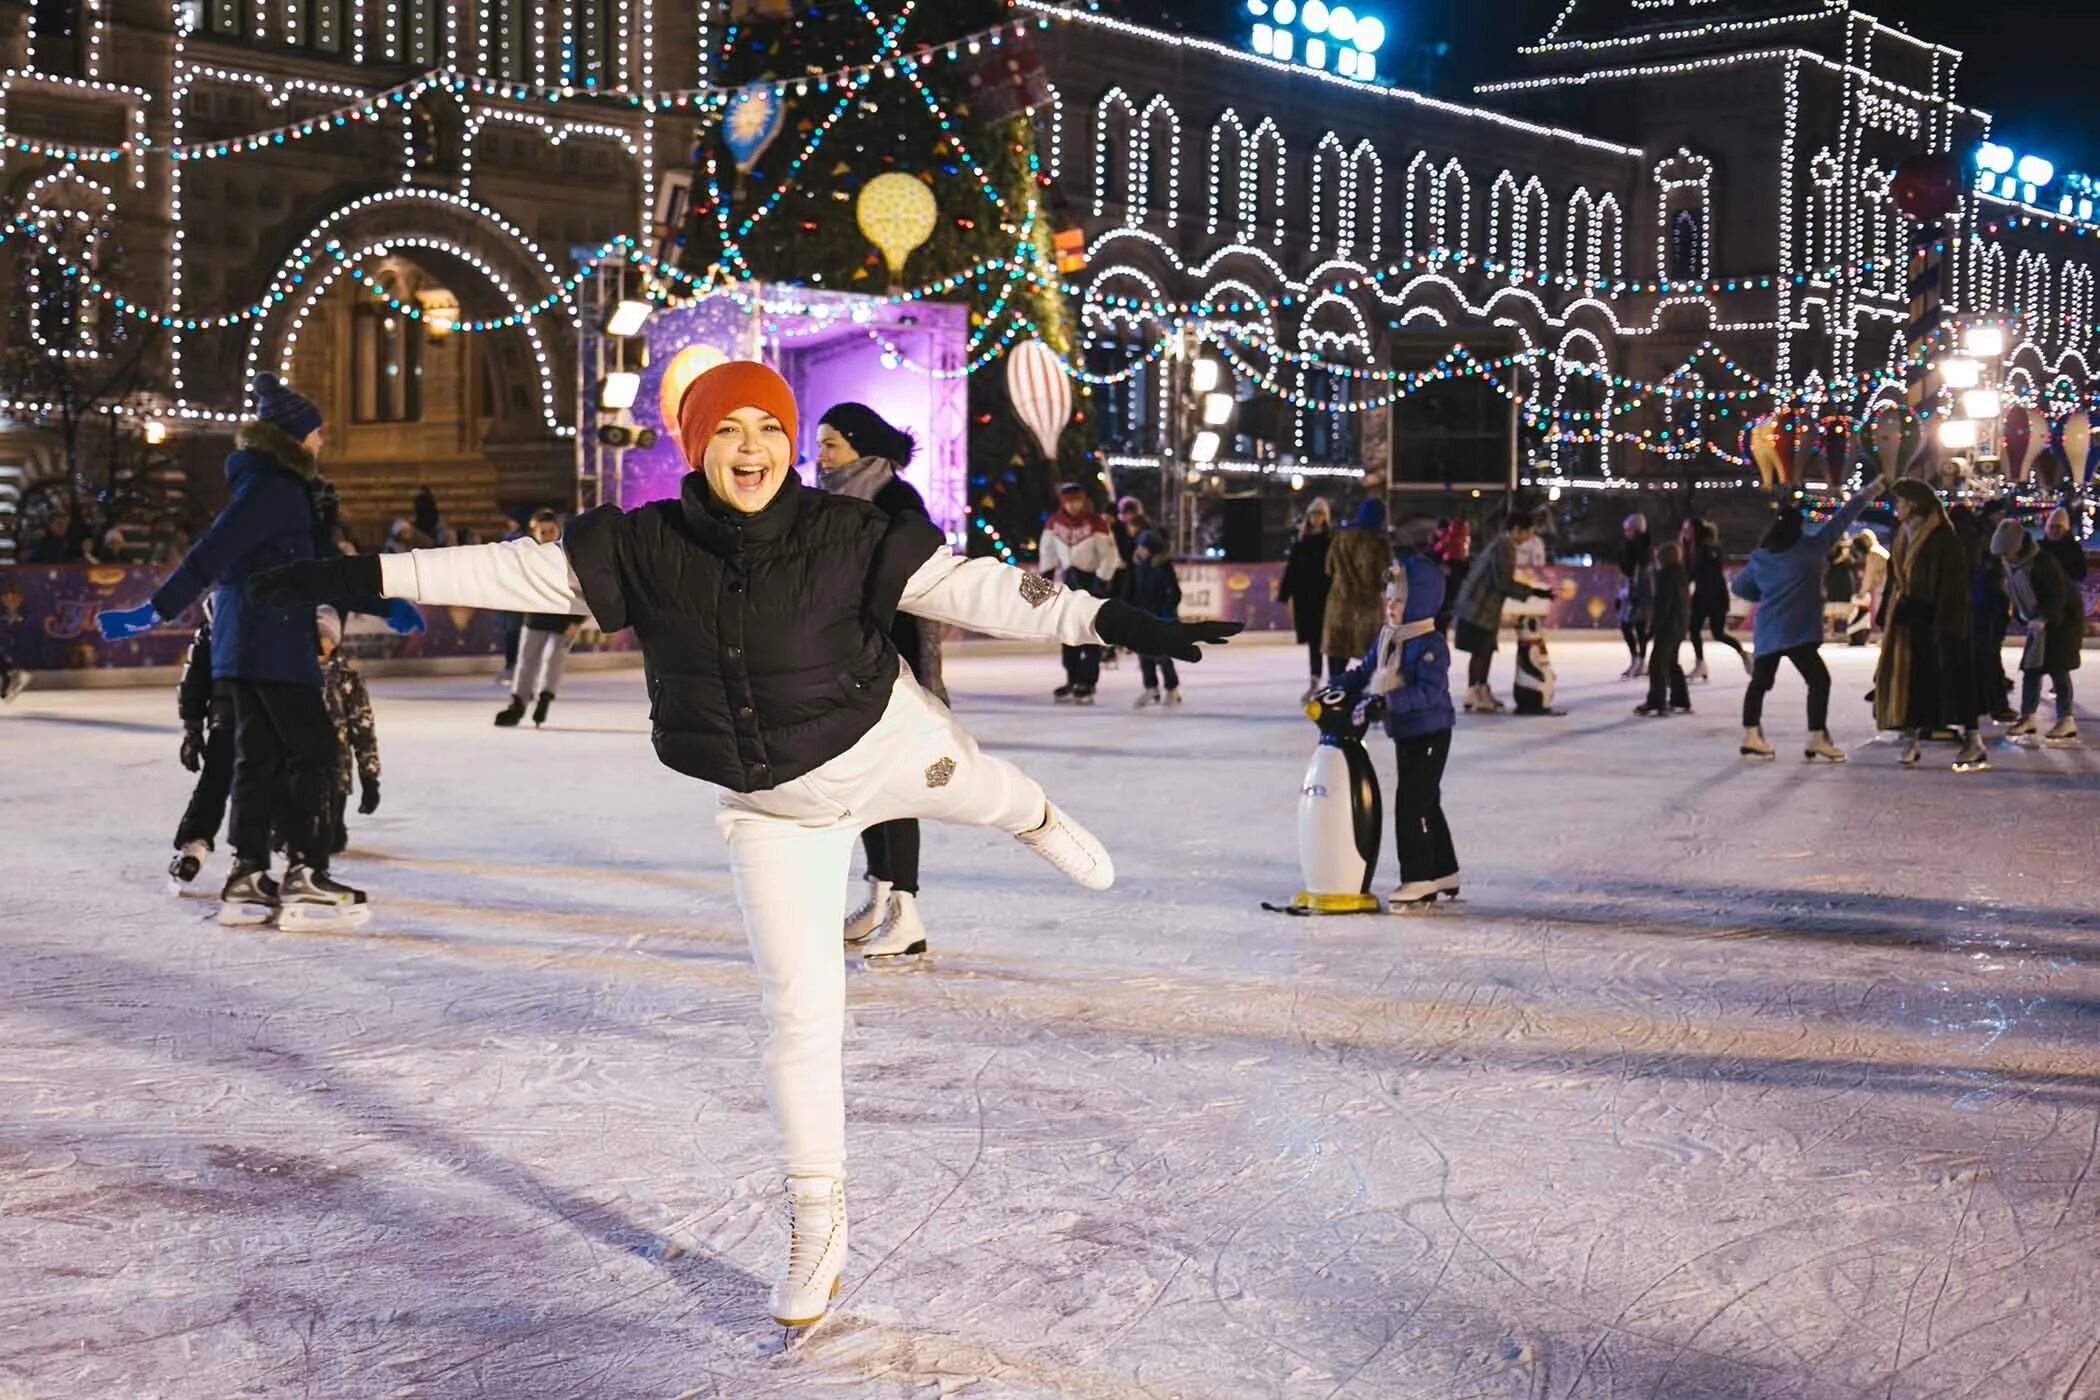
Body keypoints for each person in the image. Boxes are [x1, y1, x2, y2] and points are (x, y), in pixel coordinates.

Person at [247, 360, 1241, 1329]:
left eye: (769, 426)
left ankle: (1040, 818)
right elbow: (510, 566)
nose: (751, 445)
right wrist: (361, 571)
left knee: (988, 791)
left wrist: (1106, 615)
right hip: (774, 811)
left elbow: (978, 588)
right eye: (728, 429)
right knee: (800, 1017)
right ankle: (819, 1219)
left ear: (791, 445)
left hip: (885, 742)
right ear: (698, 447)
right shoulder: (644, 544)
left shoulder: (849, 530)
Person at [96, 372, 423, 927]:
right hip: (271, 641)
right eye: (316, 434)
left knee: (258, 759)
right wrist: (155, 610)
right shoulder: (274, 489)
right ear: (292, 438)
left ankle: (248, 878)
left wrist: (379, 601)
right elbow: (212, 552)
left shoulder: (269, 487)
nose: (321, 443)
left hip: (242, 646)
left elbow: (313, 571)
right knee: (317, 753)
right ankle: (306, 874)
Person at [814, 401, 944, 966]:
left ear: (861, 447)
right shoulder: (823, 503)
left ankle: (907, 913)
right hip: (841, 659)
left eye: (831, 445)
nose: (820, 456)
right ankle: (880, 896)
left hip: (894, 660)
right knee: (862, 789)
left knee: (895, 788)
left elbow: (912, 575)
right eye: (819, 444)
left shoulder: (896, 499)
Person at [1336, 555, 1458, 910]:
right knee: (1426, 802)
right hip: (1407, 732)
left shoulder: (1429, 643)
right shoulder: (1389, 637)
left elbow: (1429, 693)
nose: (1391, 606)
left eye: (1400, 600)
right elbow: (1365, 671)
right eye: (1388, 598)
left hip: (1431, 733)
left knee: (1412, 803)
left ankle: (1419, 877)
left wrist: (1386, 702)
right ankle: (1444, 869)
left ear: (1418, 603)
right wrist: (1338, 687)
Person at [1731, 476, 1881, 762]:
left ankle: (1751, 735)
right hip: (1798, 631)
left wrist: (1766, 590)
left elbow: (1740, 588)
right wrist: (1868, 492)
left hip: (1769, 631)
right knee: (1819, 681)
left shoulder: (1762, 557)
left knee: (1760, 683)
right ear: (1798, 527)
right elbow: (1842, 519)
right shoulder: (1810, 549)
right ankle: (1816, 737)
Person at [1874, 480, 1989, 772]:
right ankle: (1911, 741)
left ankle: (1973, 740)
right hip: (1909, 618)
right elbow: (1895, 577)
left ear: (1913, 505)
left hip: (1942, 621)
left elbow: (1953, 585)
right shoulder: (1901, 534)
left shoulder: (1943, 537)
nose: (1896, 507)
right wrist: (1889, 610)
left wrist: (1939, 620)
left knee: (1954, 681)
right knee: (1912, 682)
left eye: (1900, 502)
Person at [1452, 508, 1553, 713]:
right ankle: (1474, 693)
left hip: (1480, 606)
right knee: (1481, 650)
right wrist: (1533, 592)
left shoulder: (1501, 543)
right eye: (1527, 532)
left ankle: (1480, 690)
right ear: (1516, 529)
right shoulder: (1505, 546)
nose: (1529, 537)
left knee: (1485, 650)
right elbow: (1503, 583)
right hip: (1479, 607)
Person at [1992, 518, 2082, 746]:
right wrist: (2026, 618)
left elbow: (2057, 596)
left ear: (2018, 547)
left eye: (2008, 552)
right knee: (2032, 668)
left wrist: (2043, 618)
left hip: (2061, 622)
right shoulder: (2012, 564)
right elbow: (2016, 593)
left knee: (2058, 669)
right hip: (2037, 621)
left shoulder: (2043, 564)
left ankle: (2066, 719)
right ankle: (2028, 716)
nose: (2005, 558)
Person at [169, 603, 236, 887]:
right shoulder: (216, 629)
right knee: (253, 788)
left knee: (215, 785)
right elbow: (194, 682)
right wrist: (193, 731)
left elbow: (192, 684)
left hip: (229, 721)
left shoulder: (213, 628)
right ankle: (249, 858)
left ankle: (195, 846)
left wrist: (193, 730)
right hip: (253, 719)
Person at [496, 509, 582, 729]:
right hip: (535, 617)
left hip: (564, 618)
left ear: (558, 530)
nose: (547, 535)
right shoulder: (529, 556)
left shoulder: (569, 554)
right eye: (542, 532)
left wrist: (577, 621)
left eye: (551, 531)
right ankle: (518, 703)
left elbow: (583, 588)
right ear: (535, 533)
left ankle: (544, 699)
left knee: (554, 659)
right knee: (525, 661)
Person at [1040, 482, 1122, 704]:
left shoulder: (1097, 524)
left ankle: (1088, 682)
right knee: (1068, 635)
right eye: (1069, 502)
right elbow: (1047, 550)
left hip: (1091, 582)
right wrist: (1046, 577)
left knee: (1088, 636)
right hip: (1069, 582)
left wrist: (1102, 580)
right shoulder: (1055, 523)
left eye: (1077, 501)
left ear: (1083, 500)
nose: (1073, 506)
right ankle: (1073, 679)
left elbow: (1109, 555)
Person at [316, 606, 381, 855]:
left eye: (326, 636)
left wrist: (370, 779)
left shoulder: (347, 678)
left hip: (335, 769)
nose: (321, 643)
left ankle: (334, 825)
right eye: (317, 636)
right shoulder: (295, 672)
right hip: (299, 767)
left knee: (331, 841)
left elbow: (363, 731)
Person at [1322, 497, 1390, 682]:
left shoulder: (1341, 537)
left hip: (1340, 605)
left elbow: (1328, 567)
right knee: (1369, 659)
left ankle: (1333, 690)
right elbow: (1384, 576)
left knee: (1337, 653)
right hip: (1366, 608)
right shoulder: (1379, 542)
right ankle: (1364, 697)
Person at [1276, 497, 1336, 701]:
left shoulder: (1332, 542)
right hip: (1306, 599)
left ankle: (1334, 681)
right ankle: (1314, 679)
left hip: (1327, 598)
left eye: (1320, 514)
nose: (1317, 518)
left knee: (1330, 641)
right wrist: (1285, 595)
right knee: (1314, 641)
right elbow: (1291, 571)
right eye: (1314, 514)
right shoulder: (1301, 543)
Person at [1968, 500, 2017, 724]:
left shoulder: (1984, 533)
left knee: (1986, 653)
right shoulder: (1983, 536)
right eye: (1999, 513)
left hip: (1986, 603)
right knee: (1988, 654)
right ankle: (1992, 702)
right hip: (1986, 603)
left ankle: (1984, 700)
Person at [1684, 517, 1749, 680]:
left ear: (1695, 530)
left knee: (1717, 633)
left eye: (1688, 529)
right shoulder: (1694, 549)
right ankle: (1700, 664)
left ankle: (1744, 654)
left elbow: (1709, 574)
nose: (1685, 532)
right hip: (1702, 595)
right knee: (1693, 629)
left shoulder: (1708, 548)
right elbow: (1690, 573)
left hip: (1714, 597)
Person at [1127, 528, 1184, 708]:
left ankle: (1172, 688)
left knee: (1162, 655)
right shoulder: (1138, 566)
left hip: (1161, 618)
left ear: (1152, 550)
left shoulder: (1163, 567)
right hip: (1142, 617)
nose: (1140, 551)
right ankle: (1151, 687)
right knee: (1144, 655)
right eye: (1139, 547)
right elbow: (1133, 591)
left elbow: (1174, 592)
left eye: (1144, 548)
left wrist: (1167, 613)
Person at [1636, 540, 1692, 717]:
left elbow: (1663, 604)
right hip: (1679, 625)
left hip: (1668, 626)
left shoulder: (1667, 576)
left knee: (1657, 665)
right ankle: (1680, 699)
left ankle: (1656, 701)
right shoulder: (1681, 574)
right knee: (1671, 663)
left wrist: (1653, 627)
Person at [1617, 514, 1653, 679]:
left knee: (1639, 626)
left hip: (1640, 590)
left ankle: (1641, 660)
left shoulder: (1644, 548)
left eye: (1629, 530)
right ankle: (1635, 658)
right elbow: (1626, 569)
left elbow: (1642, 570)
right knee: (1626, 625)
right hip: (1629, 588)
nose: (1626, 533)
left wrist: (1637, 591)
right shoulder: (1628, 546)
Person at [1847, 530, 1890, 646]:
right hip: (1887, 583)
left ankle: (1885, 638)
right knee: (1885, 611)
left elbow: (1869, 575)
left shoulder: (1873, 553)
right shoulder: (1879, 550)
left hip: (1883, 585)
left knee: (1882, 612)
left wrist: (1862, 592)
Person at [2041, 505, 2088, 586]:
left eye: (2059, 527)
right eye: (2052, 526)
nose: (2055, 530)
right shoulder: (2040, 547)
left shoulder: (2073, 548)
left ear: (2065, 530)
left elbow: (2080, 574)